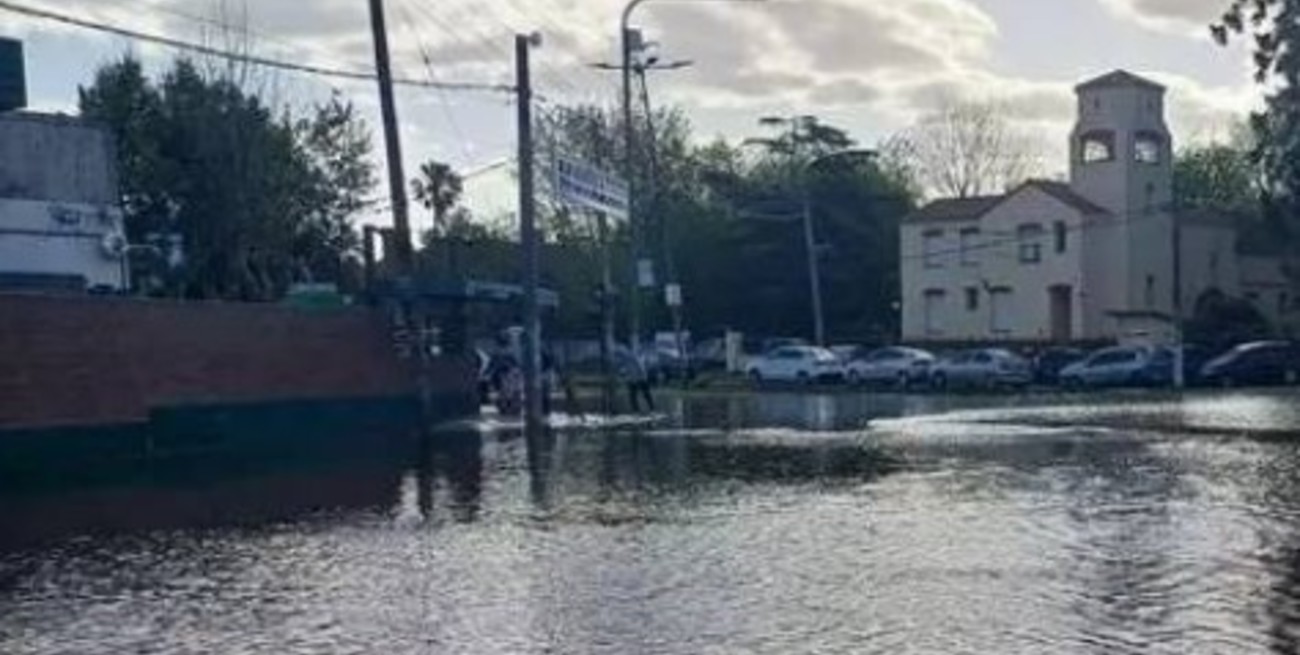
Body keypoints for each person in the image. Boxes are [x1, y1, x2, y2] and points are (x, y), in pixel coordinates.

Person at [616, 346, 655, 413]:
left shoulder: (631, 357)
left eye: (620, 355)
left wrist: (639, 376)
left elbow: (639, 367)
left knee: (644, 393)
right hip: (634, 378)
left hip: (639, 377)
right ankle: (636, 410)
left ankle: (651, 408)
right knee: (633, 395)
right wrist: (625, 375)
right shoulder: (626, 359)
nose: (619, 357)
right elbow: (625, 369)